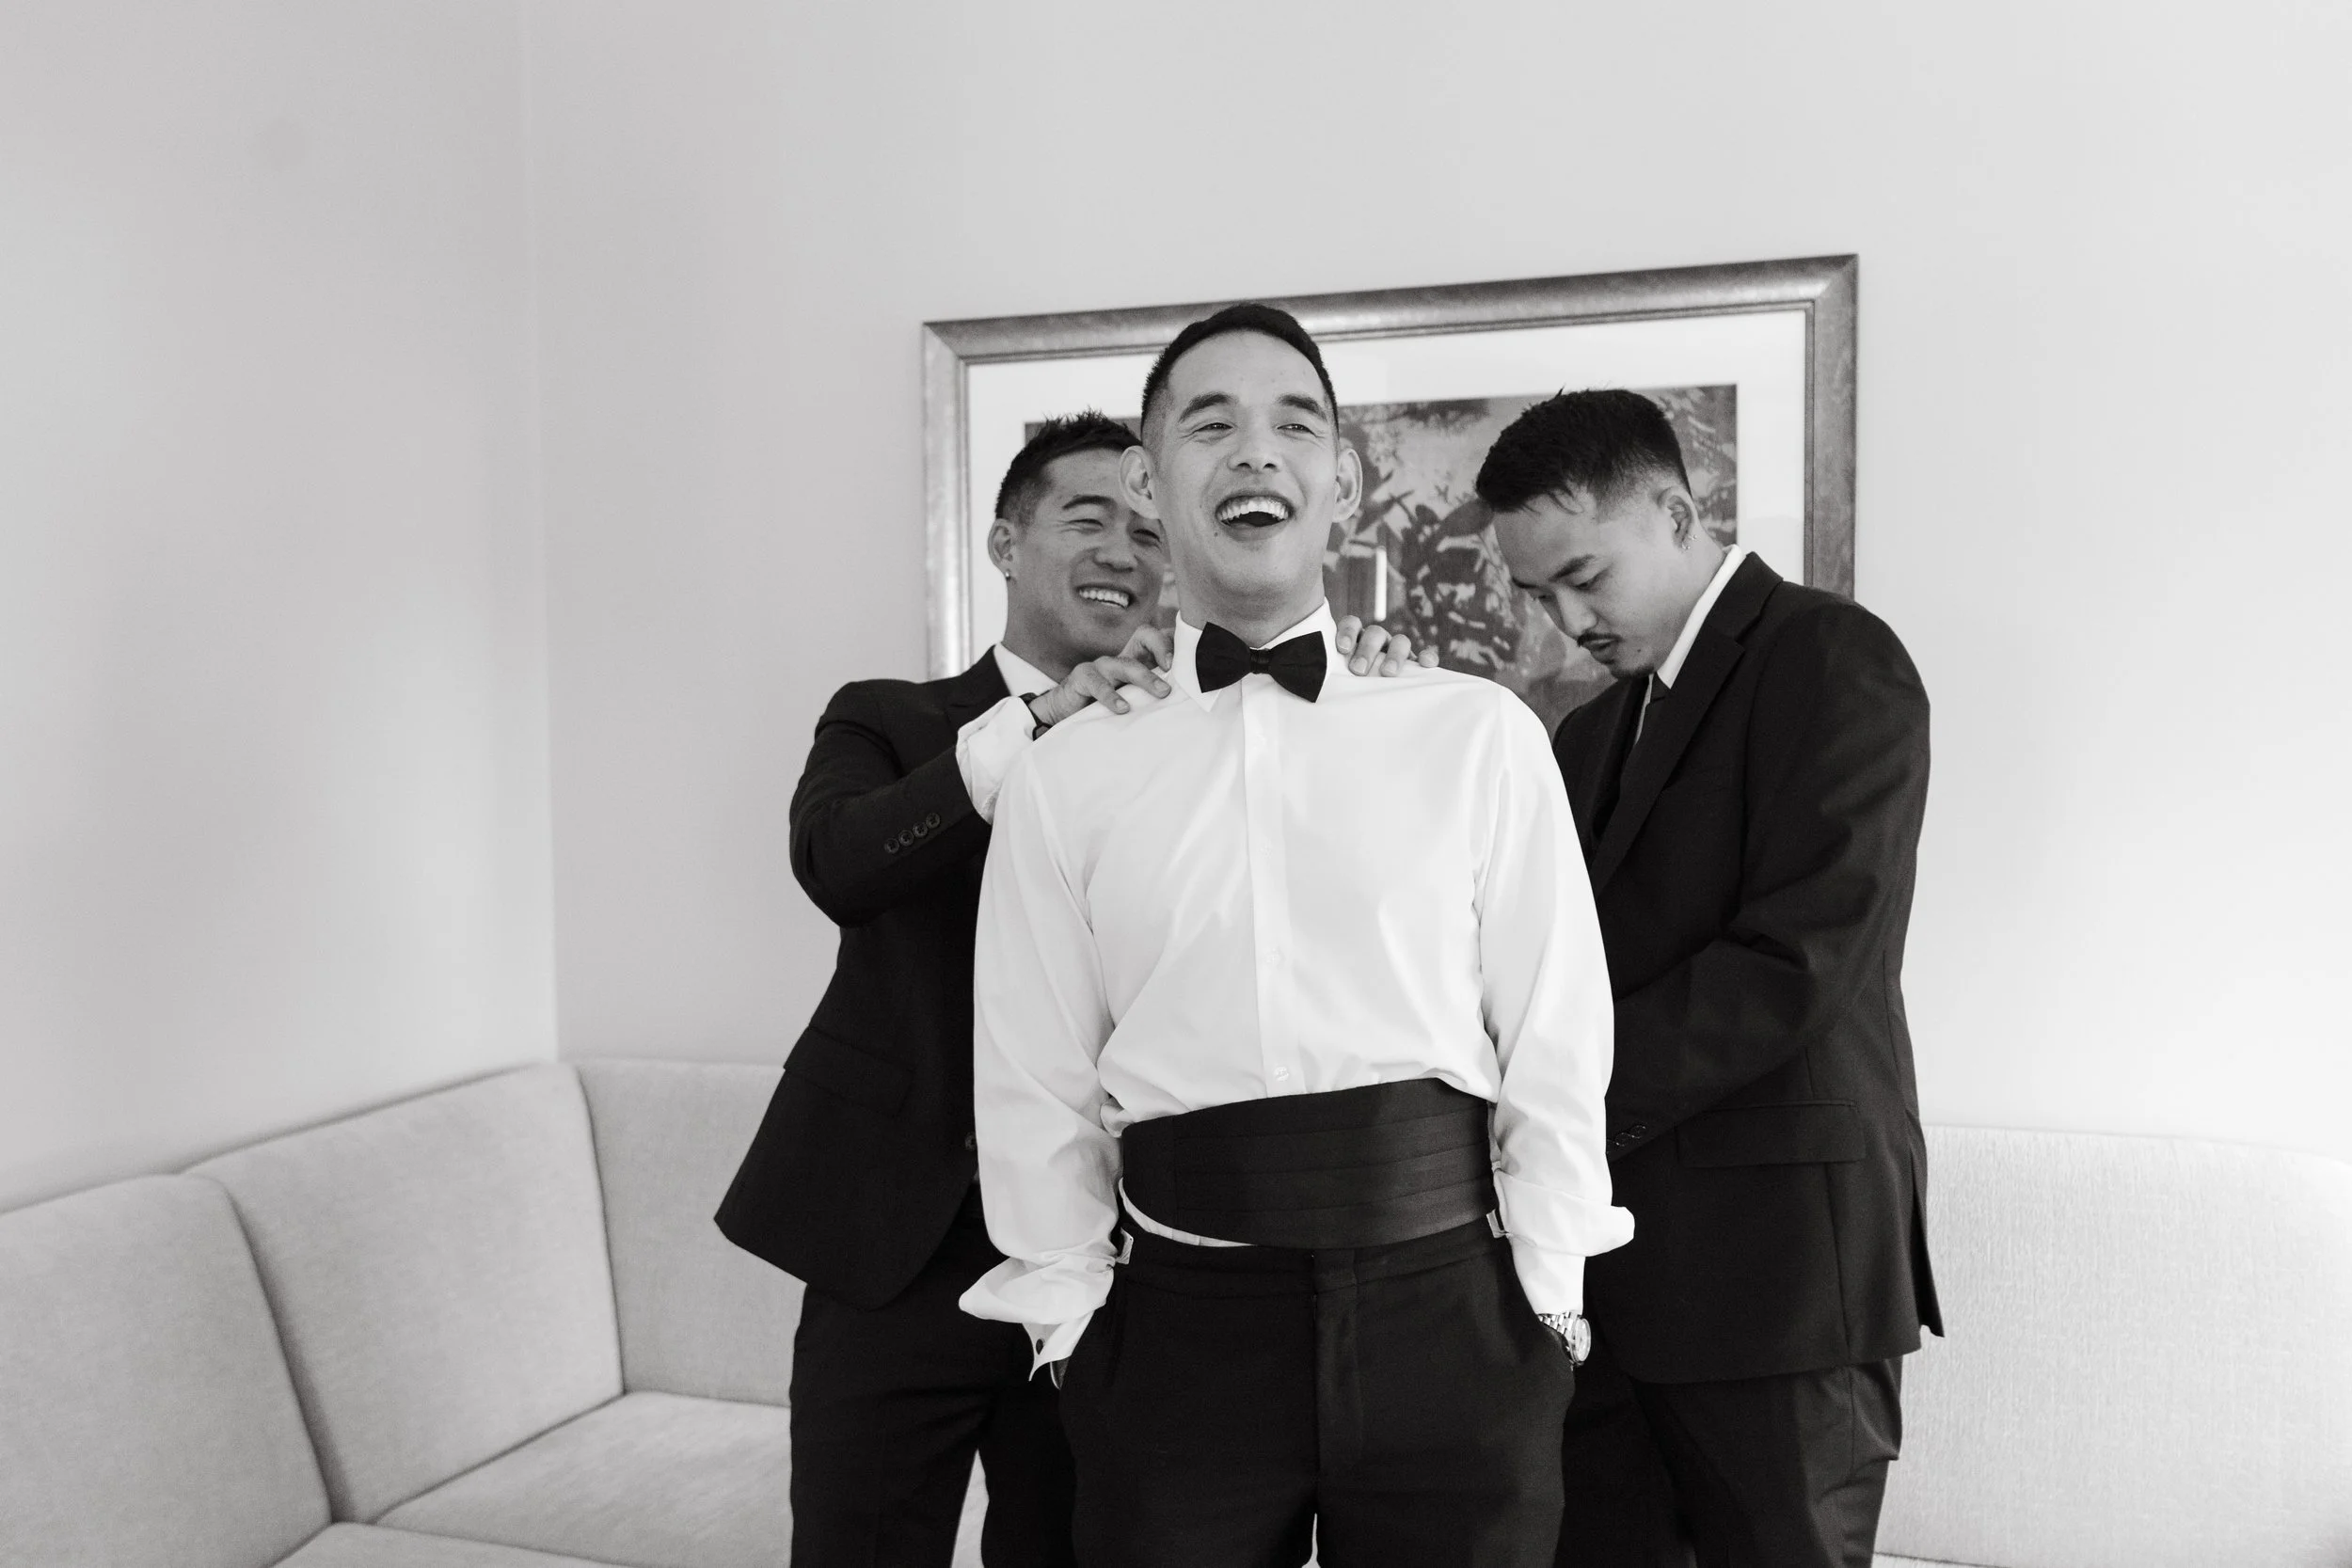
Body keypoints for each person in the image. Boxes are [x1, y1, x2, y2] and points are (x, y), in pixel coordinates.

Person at [960, 305, 1631, 1568]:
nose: (1256, 451)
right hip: (1173, 1338)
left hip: (1456, 1323)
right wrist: (1073, 1329)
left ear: (1346, 478)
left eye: (1295, 423)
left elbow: (1554, 1030)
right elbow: (1034, 1072)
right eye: (1209, 424)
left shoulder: (1477, 733)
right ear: (1153, 487)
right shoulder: (1067, 776)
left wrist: (1549, 1306)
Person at [712, 410, 1430, 1567]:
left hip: (1115, 1258)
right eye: (1085, 518)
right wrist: (1043, 720)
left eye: (1148, 529)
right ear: (1004, 542)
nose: (1122, 552)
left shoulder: (1194, 737)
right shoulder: (888, 717)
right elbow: (840, 863)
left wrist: (1363, 686)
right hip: (900, 1239)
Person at [1473, 389, 1940, 1568]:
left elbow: (1803, 955)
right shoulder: (1583, 732)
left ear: (1677, 510)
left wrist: (1560, 1096)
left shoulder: (1834, 655)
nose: (1564, 618)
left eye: (1584, 575)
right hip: (1606, 1286)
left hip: (1782, 1276)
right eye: (1537, 595)